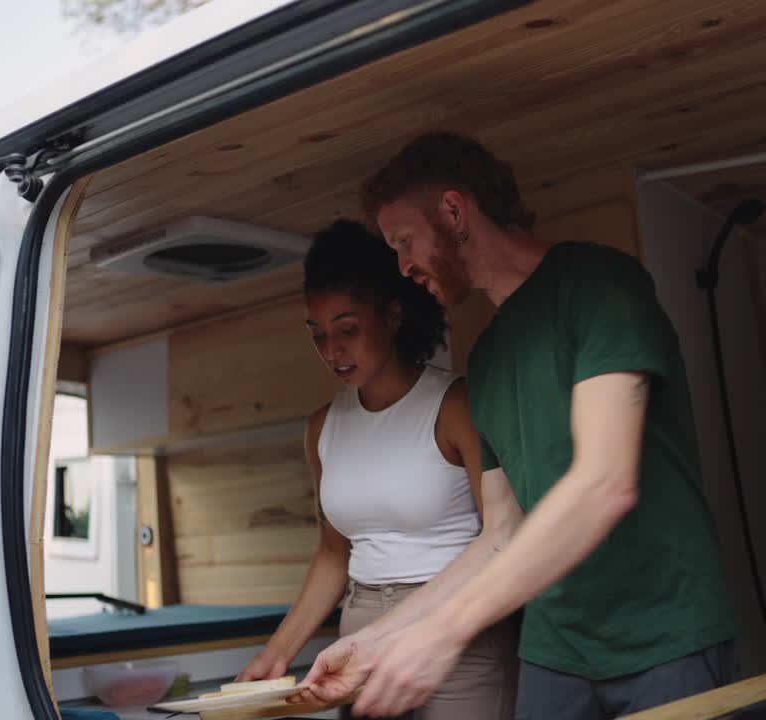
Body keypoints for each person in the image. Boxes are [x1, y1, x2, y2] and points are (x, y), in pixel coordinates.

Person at [296, 134, 737, 720]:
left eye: (404, 242)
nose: (402, 266)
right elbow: (501, 532)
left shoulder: (598, 286)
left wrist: (445, 633)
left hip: (665, 636)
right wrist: (378, 640)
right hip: (556, 651)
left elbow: (604, 484)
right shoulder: (489, 357)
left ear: (454, 212)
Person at [236, 219, 518, 719]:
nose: (332, 351)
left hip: (457, 637)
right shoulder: (322, 428)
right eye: (318, 335)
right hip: (358, 636)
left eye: (347, 330)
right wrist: (277, 654)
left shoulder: (456, 405)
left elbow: (502, 536)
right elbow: (333, 554)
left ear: (392, 315)